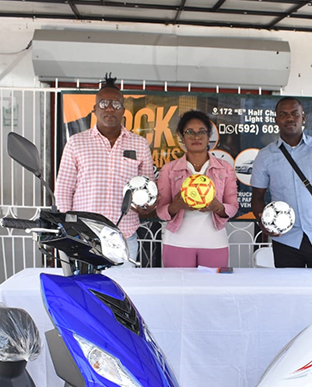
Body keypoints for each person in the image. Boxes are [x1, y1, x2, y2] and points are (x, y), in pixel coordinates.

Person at [54, 76, 155, 264]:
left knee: (122, 291)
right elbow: (64, 189)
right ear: (94, 109)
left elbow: (149, 188)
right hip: (85, 237)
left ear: (124, 110)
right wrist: (70, 228)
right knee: (85, 291)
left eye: (116, 104)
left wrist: (147, 205)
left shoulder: (139, 144)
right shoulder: (77, 142)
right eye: (104, 103)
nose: (110, 108)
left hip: (124, 237)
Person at [250, 97, 312, 279]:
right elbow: (257, 197)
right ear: (276, 120)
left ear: (303, 118)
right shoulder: (265, 156)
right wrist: (263, 222)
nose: (290, 118)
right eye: (283, 114)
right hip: (286, 241)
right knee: (291, 297)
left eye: (295, 113)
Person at [156, 110, 239, 268]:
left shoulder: (225, 168)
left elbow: (233, 207)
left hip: (215, 242)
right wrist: (176, 205)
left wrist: (218, 207)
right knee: (179, 291)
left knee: (213, 290)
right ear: (182, 137)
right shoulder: (169, 169)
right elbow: (161, 211)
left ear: (209, 136)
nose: (196, 137)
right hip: (177, 242)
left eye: (202, 132)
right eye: (190, 132)